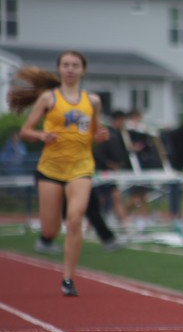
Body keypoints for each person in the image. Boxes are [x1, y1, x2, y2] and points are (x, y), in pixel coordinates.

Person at [8, 50, 108, 296]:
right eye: (66, 65)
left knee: (74, 219)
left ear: (83, 70)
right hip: (51, 168)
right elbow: (26, 131)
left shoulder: (93, 101)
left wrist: (100, 136)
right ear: (59, 69)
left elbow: (95, 131)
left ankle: (68, 278)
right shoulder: (49, 98)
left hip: (81, 168)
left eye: (75, 65)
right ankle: (46, 238)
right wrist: (42, 135)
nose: (70, 69)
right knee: (50, 229)